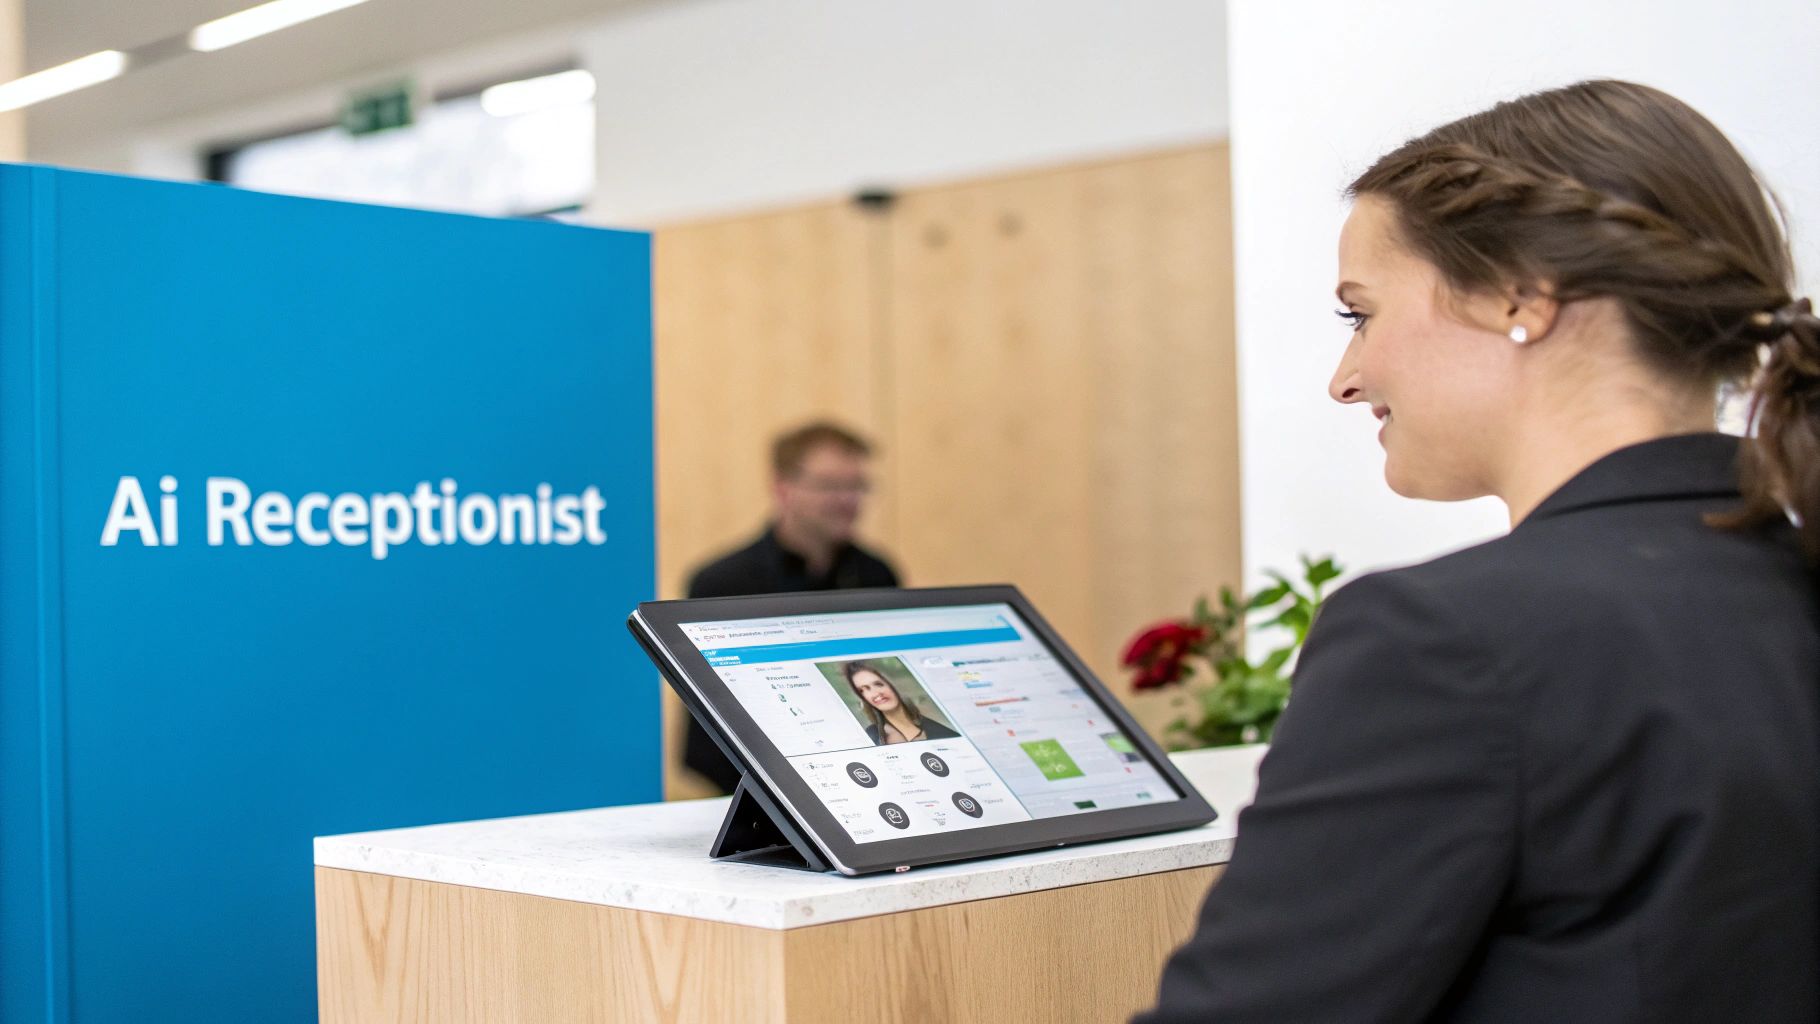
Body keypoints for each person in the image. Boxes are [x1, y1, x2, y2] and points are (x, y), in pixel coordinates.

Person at [1136, 80, 1820, 1022]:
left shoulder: (1440, 642)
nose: (1345, 379)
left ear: (1518, 296)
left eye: (1360, 314)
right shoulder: (1790, 580)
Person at [682, 421, 902, 793]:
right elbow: (708, 735)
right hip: (755, 792)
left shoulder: (877, 574)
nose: (848, 500)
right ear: (782, 487)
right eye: (830, 485)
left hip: (869, 782)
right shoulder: (723, 583)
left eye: (856, 486)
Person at [842, 661, 959, 744]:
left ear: (893, 684)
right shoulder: (869, 736)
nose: (875, 693)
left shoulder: (945, 734)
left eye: (878, 684)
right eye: (863, 690)